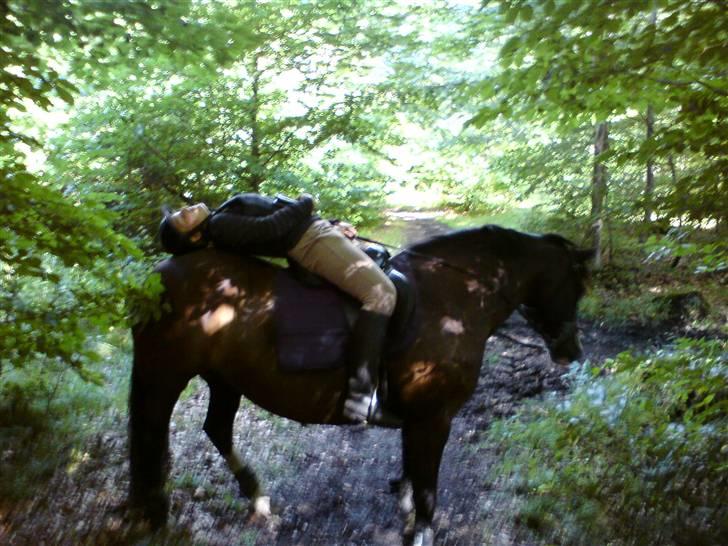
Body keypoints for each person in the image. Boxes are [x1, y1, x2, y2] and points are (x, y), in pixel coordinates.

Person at [159, 192, 399, 426]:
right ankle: (360, 399)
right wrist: (305, 202)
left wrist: (331, 224)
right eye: (181, 218)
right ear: (194, 237)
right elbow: (272, 227)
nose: (185, 210)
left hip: (316, 234)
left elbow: (275, 217)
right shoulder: (219, 225)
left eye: (180, 211)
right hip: (312, 242)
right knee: (381, 295)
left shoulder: (220, 217)